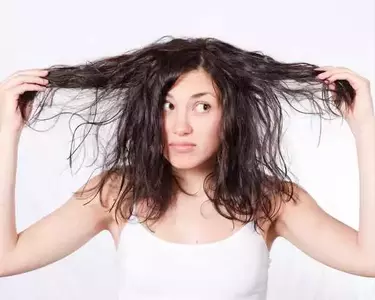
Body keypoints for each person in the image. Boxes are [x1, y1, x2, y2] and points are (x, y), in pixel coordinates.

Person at [0, 36, 374, 300]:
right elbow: (6, 258)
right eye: (167, 105)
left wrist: (365, 129)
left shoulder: (271, 200)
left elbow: (368, 260)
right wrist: (7, 133)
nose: (180, 127)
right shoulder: (117, 194)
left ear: (230, 115)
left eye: (202, 106)